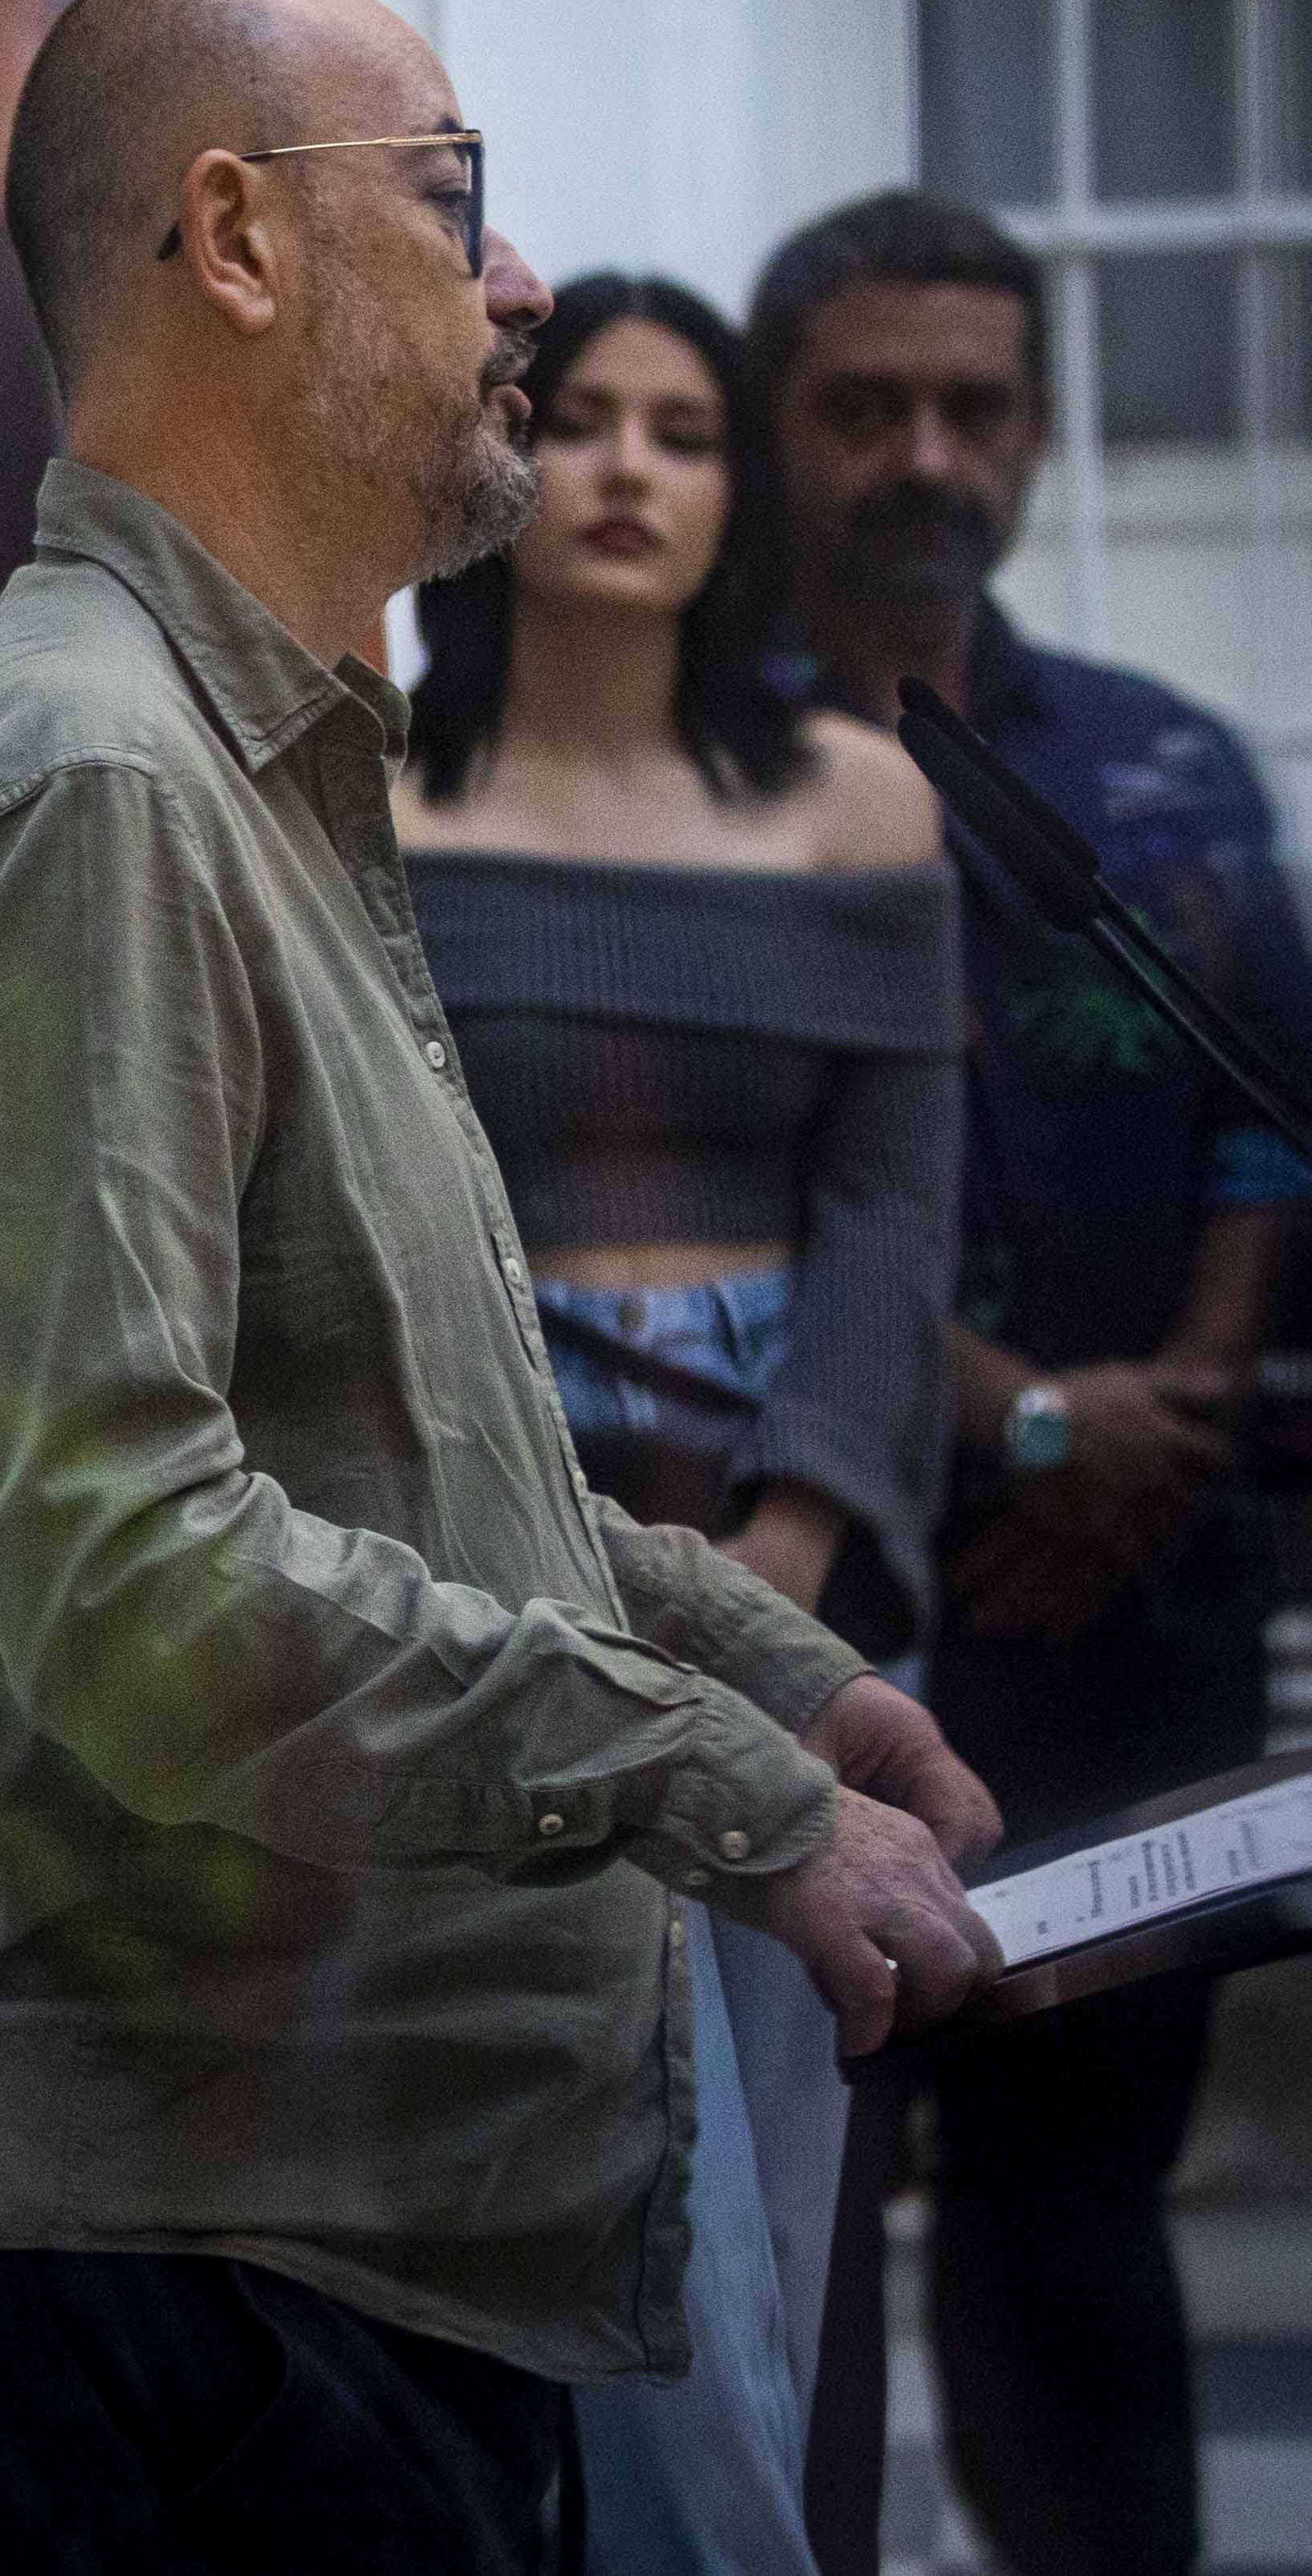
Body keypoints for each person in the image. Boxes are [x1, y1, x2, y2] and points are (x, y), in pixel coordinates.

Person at [0, 0, 1010, 2571]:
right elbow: (134, 1575)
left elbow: (401, 1466)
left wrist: (774, 1667)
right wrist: (721, 1783)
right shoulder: (90, 784)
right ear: (234, 239)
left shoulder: (238, 757)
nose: (518, 284)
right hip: (170, 2258)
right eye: (451, 202)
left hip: (302, 2230)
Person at [751, 187, 1312, 2576]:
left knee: (1081, 2230)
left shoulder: (1162, 765)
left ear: (1040, 430)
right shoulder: (690, 765)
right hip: (837, 1619)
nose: (925, 456)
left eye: (972, 407)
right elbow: (752, 1184)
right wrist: (1023, 1425)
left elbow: (1263, 1114)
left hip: (1137, 1619)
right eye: (866, 406)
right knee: (792, 2237)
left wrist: (1163, 1413)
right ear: (779, 429)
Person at [395, 270, 963, 2576]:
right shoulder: (361, 789)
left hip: (788, 1539)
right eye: (581, 416)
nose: (628, 466)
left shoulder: (857, 799)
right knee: (548, 2179)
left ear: (740, 495)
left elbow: (898, 1210)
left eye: (686, 428)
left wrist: (798, 1545)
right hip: (479, 1550)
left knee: (786, 2188)